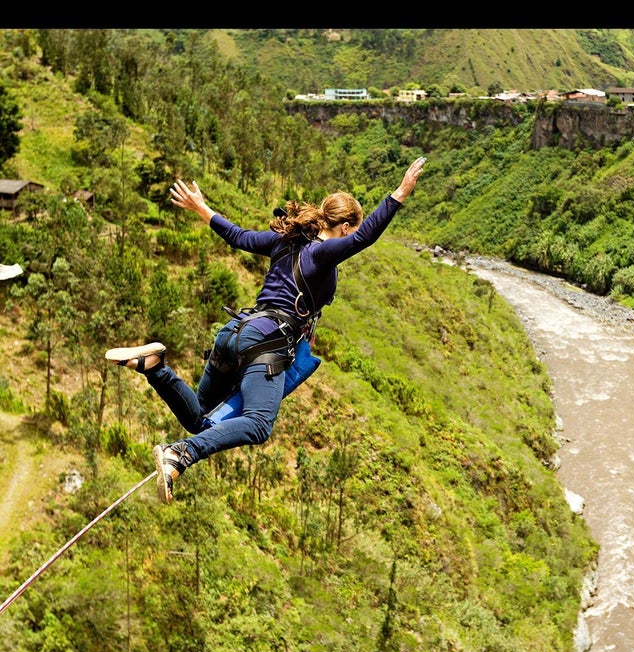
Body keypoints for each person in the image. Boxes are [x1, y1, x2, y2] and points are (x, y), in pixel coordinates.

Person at [105, 156, 427, 504]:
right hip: (266, 343)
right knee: (258, 424)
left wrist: (202, 208)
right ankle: (180, 455)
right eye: (350, 230)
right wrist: (400, 193)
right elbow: (364, 238)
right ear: (345, 226)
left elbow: (238, 237)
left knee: (200, 418)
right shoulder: (325, 253)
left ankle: (156, 368)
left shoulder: (283, 241)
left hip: (234, 333)